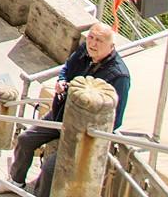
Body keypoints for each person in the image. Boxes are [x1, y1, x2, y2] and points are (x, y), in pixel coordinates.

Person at [9, 22, 131, 194]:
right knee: (25, 139)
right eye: (91, 37)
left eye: (99, 40)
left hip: (83, 132)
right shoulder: (84, 51)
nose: (93, 43)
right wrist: (61, 81)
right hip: (61, 114)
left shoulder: (119, 76)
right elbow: (66, 68)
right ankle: (15, 182)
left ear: (111, 46)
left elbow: (116, 119)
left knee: (51, 168)